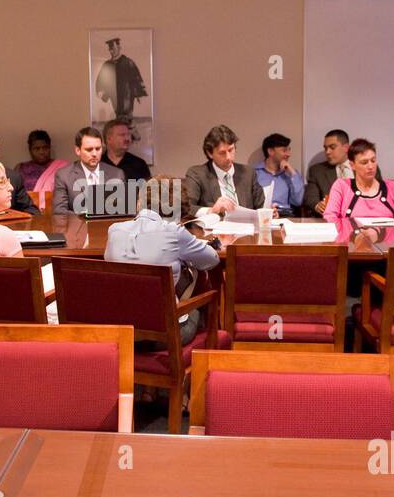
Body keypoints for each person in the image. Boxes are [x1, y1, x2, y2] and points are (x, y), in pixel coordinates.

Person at [105, 177, 219, 346]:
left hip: (120, 334)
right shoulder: (174, 232)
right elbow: (212, 260)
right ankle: (205, 362)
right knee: (197, 306)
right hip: (164, 335)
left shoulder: (114, 230)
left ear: (139, 203)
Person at [324, 139, 394, 239]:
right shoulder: (342, 186)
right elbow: (330, 217)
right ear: (352, 165)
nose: (371, 166)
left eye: (373, 160)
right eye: (364, 162)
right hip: (351, 245)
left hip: (390, 248)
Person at [183, 125, 265, 216]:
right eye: (222, 153)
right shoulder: (197, 174)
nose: (228, 157)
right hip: (215, 228)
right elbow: (186, 207)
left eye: (231, 150)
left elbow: (261, 206)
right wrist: (211, 210)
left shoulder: (248, 173)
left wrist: (268, 213)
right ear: (210, 153)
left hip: (247, 228)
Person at [52, 127, 126, 215]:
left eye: (98, 149)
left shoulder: (117, 174)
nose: (94, 154)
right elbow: (59, 211)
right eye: (89, 150)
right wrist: (87, 216)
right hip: (78, 226)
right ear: (78, 150)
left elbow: (123, 208)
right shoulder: (64, 175)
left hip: (109, 226)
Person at [95, 38, 147, 119]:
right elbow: (101, 79)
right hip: (114, 95)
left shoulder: (128, 62)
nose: (112, 52)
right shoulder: (107, 64)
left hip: (127, 94)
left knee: (127, 115)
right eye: (110, 49)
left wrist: (138, 94)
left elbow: (136, 77)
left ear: (119, 48)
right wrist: (100, 90)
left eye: (114, 49)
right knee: (118, 115)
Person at [304, 129, 351, 217]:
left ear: (346, 148)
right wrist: (318, 205)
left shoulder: (365, 167)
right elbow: (310, 197)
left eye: (332, 147)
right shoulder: (317, 170)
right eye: (325, 148)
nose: (327, 152)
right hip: (329, 220)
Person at [254, 132, 304, 214]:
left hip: (286, 215)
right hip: (262, 215)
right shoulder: (255, 173)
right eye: (284, 150)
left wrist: (292, 173)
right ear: (270, 151)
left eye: (289, 150)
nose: (289, 154)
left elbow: (298, 201)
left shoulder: (291, 173)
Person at [102, 117, 151, 184]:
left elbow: (148, 192)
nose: (127, 139)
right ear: (109, 139)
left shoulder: (139, 164)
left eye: (128, 134)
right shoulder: (96, 165)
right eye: (122, 135)